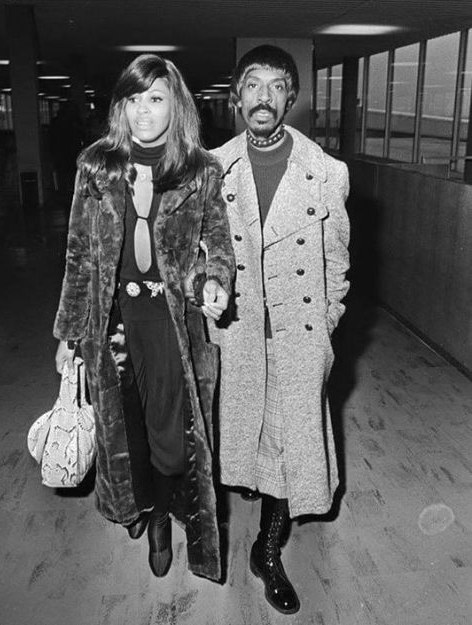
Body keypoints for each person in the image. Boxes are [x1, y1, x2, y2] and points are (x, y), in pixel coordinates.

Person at [53, 54, 235, 582]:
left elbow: (217, 246)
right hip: (109, 315)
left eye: (155, 98)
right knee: (123, 424)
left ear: (175, 104)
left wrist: (214, 283)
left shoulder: (201, 169)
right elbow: (78, 253)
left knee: (171, 431)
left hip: (167, 318)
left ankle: (163, 510)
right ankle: (149, 509)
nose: (142, 112)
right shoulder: (97, 164)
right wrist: (68, 331)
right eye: (133, 100)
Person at [210, 45, 350, 614]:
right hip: (237, 331)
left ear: (291, 97)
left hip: (297, 332)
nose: (263, 96)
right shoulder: (212, 168)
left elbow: (337, 261)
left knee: (291, 441)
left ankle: (267, 554)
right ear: (237, 96)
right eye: (252, 84)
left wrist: (326, 325)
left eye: (275, 85)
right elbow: (197, 251)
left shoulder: (324, 172)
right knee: (243, 435)